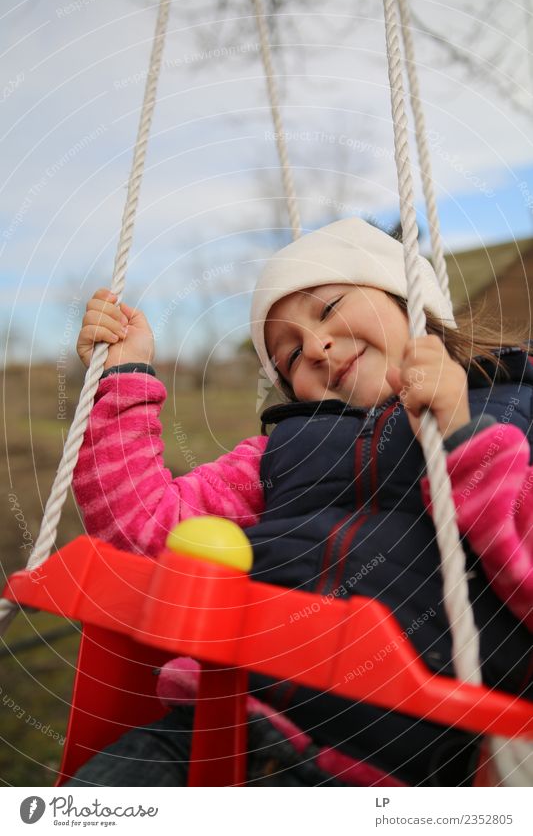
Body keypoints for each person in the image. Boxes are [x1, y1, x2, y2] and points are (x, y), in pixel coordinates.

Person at [68, 217, 533, 787]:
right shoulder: (276, 454)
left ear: (411, 302)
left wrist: (461, 434)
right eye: (288, 356)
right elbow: (141, 529)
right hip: (214, 726)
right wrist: (126, 372)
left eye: (330, 307)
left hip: (385, 772)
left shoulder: (515, 412)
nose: (313, 347)